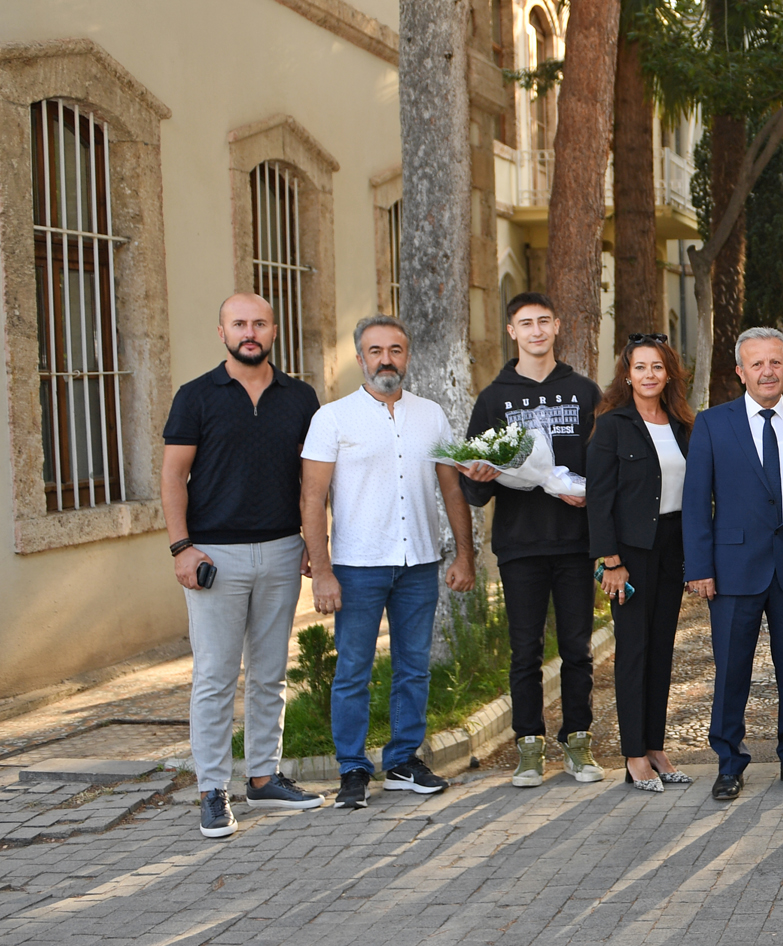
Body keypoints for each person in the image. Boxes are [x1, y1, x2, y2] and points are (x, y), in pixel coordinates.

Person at [163, 293, 325, 839]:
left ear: (274, 330)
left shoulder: (301, 397)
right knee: (214, 676)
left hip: (281, 549)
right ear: (222, 332)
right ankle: (212, 790)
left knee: (270, 672)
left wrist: (313, 542)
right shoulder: (195, 396)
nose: (249, 332)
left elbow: (312, 480)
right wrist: (181, 547)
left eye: (259, 323)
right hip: (215, 554)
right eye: (239, 324)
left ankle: (263, 778)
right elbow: (172, 476)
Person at [302, 316, 478, 811]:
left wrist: (465, 554)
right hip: (357, 567)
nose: (386, 360)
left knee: (413, 669)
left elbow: (452, 489)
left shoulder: (432, 415)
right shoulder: (333, 418)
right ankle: (352, 768)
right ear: (360, 358)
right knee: (353, 671)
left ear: (407, 356)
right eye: (375, 351)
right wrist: (322, 572)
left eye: (395, 350)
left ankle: (402, 761)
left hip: (419, 563)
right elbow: (312, 498)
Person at [459, 292, 604, 789]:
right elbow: (474, 488)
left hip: (575, 543)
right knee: (525, 652)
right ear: (512, 331)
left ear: (558, 326)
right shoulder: (493, 399)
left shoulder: (584, 392)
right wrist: (479, 475)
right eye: (526, 323)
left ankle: (578, 743)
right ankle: (529, 747)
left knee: (577, 649)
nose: (536, 330)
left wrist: (589, 496)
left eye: (544, 321)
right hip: (520, 544)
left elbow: (604, 465)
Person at [684, 327, 783, 802]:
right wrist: (699, 567)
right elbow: (695, 501)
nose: (768, 371)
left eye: (776, 362)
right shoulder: (712, 424)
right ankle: (729, 763)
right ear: (740, 372)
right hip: (732, 569)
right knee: (731, 672)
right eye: (757, 363)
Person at [586, 334, 698, 792]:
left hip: (673, 548)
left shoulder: (683, 425)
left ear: (668, 374)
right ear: (627, 375)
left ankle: (656, 747)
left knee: (661, 651)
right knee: (633, 651)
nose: (649, 374)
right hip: (629, 554)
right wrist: (611, 560)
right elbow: (598, 498)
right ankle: (634, 754)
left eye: (657, 367)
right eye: (640, 367)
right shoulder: (612, 425)